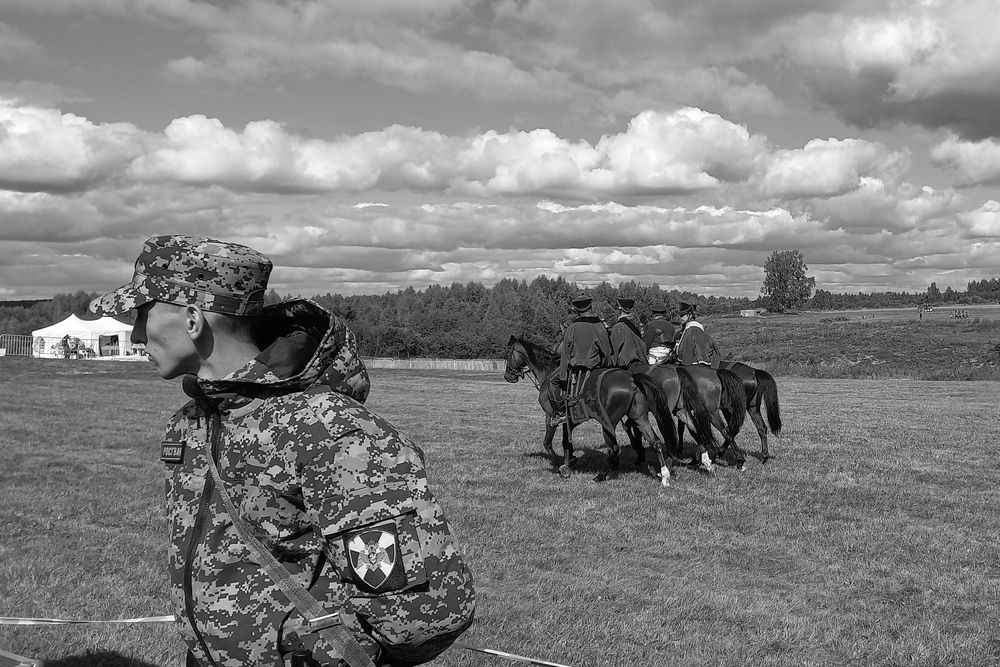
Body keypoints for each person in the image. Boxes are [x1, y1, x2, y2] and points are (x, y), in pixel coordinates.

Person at [89, 235, 475, 667]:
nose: (137, 333)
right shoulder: (192, 421)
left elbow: (426, 613)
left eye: (143, 314)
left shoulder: (329, 429)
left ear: (193, 320)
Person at [551, 295, 612, 424]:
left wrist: (563, 377)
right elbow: (606, 351)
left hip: (576, 368)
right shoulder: (598, 326)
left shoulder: (572, 328)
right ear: (590, 307)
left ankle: (561, 413)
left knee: (552, 382)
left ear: (576, 309)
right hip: (596, 367)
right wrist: (606, 366)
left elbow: (565, 355)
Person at [672, 301, 722, 368]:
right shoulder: (697, 328)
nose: (681, 318)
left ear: (689, 315)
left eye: (682, 315)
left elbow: (687, 349)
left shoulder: (691, 330)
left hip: (692, 361)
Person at [609, 297, 646, 372]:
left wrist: (610, 363)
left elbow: (614, 347)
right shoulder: (637, 323)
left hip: (626, 362)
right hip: (640, 359)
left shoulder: (619, 326)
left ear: (620, 307)